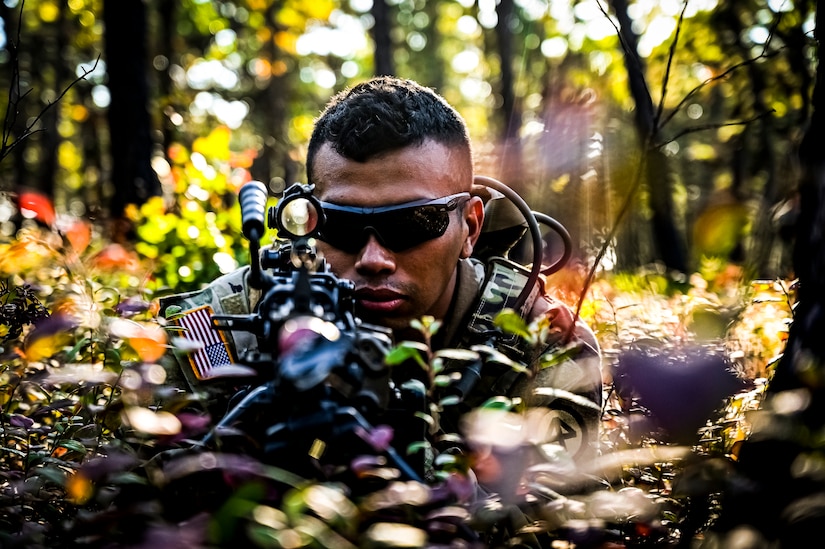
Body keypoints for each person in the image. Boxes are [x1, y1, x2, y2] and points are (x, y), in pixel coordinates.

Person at [159, 76, 602, 469]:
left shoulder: (542, 343)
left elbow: (547, 521)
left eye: (412, 224)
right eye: (342, 226)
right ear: (309, 221)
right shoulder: (224, 323)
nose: (373, 258)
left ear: (469, 226)